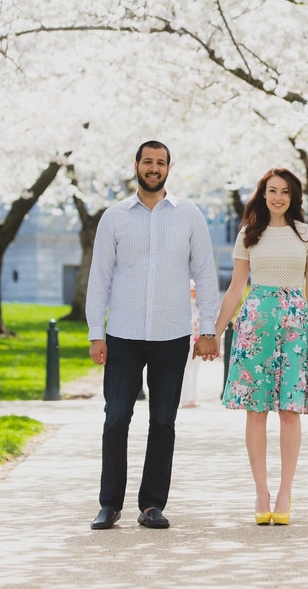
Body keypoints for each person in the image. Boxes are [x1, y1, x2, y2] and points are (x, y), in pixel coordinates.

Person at [85, 140, 220, 531]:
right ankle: (109, 505)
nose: (154, 168)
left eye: (161, 163)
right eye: (148, 161)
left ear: (168, 169)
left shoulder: (190, 216)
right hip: (123, 333)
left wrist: (208, 329)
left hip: (172, 334)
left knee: (163, 420)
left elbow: (206, 275)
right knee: (116, 417)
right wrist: (97, 334)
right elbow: (100, 278)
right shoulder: (114, 217)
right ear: (137, 166)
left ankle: (151, 505)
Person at [216, 167, 308, 527]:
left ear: (294, 197)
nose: (278, 197)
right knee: (256, 410)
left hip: (296, 325)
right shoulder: (248, 234)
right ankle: (261, 491)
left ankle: (284, 491)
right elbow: (236, 288)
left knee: (290, 410)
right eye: (272, 190)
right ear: (263, 194)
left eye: (285, 192)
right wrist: (215, 331)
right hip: (255, 324)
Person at [181, 280, 201, 408]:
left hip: (196, 342)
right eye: (191, 291)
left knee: (195, 371)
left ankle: (192, 398)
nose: (194, 294)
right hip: (187, 342)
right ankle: (185, 399)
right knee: (185, 371)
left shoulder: (197, 307)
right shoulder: (184, 307)